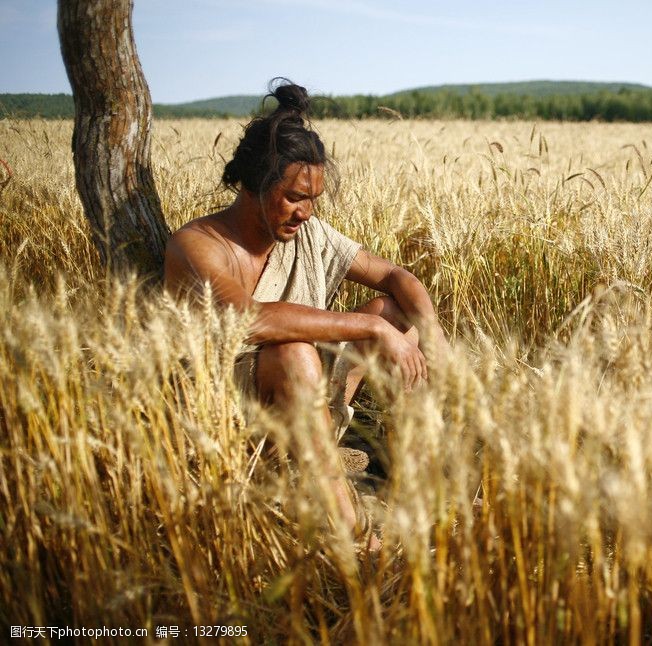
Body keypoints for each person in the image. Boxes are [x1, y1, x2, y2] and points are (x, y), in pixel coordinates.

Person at [164, 80, 448, 548]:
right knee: (297, 350)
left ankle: (407, 465)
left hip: (312, 399)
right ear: (255, 182)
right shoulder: (196, 245)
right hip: (236, 425)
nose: (305, 213)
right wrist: (370, 326)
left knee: (396, 311)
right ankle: (353, 531)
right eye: (295, 196)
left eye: (313, 198)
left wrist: (436, 352)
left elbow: (400, 279)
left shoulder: (309, 232)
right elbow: (250, 320)